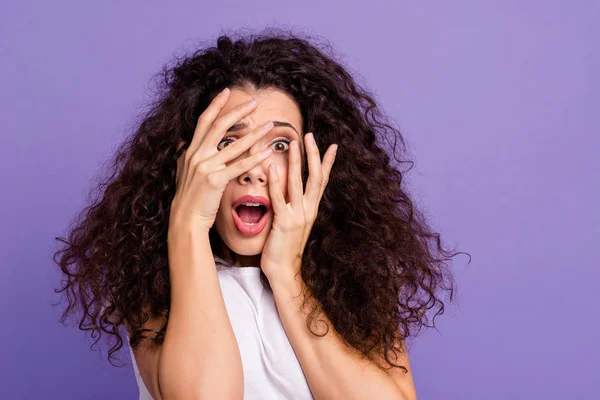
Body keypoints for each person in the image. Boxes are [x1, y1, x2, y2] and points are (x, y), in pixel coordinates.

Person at [54, 29, 464, 400]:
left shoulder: (353, 278)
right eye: (229, 141)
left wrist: (287, 273)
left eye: (280, 144)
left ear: (312, 162)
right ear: (192, 161)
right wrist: (188, 224)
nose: (251, 167)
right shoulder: (152, 277)